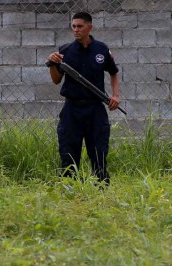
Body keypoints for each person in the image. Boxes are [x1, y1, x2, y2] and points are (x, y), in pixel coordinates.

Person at [46, 12, 120, 183]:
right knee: (69, 152)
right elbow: (56, 80)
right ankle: (69, 188)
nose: (76, 30)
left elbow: (114, 73)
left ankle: (101, 188)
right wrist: (52, 63)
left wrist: (115, 95)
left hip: (95, 108)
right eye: (73, 26)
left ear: (89, 27)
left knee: (99, 151)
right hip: (72, 109)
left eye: (80, 26)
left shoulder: (102, 49)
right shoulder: (65, 51)